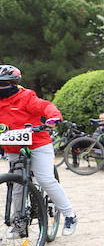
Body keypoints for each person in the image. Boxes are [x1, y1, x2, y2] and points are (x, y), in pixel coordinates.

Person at [0, 64, 78, 236]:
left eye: (5, 84)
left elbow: (45, 106)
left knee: (45, 178)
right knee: (17, 184)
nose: (1, 88)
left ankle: (69, 215)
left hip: (37, 143)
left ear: (14, 83)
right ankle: (19, 222)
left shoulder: (26, 96)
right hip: (14, 148)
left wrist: (54, 117)